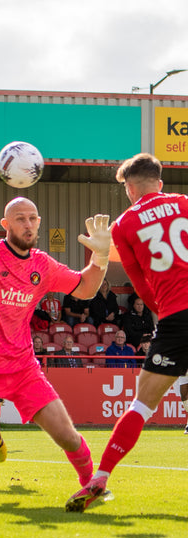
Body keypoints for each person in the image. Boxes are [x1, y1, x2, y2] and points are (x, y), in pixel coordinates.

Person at [0, 196, 112, 490]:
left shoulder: (42, 264)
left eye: (33, 219)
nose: (28, 224)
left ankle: (91, 485)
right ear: (5, 225)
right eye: (20, 219)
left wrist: (101, 258)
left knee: (67, 435)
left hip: (23, 369)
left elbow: (85, 289)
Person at [66, 152, 188, 512]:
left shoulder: (124, 224)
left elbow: (141, 288)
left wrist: (162, 312)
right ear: (160, 183)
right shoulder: (185, 203)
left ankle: (100, 477)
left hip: (174, 317)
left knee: (141, 405)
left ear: (130, 188)